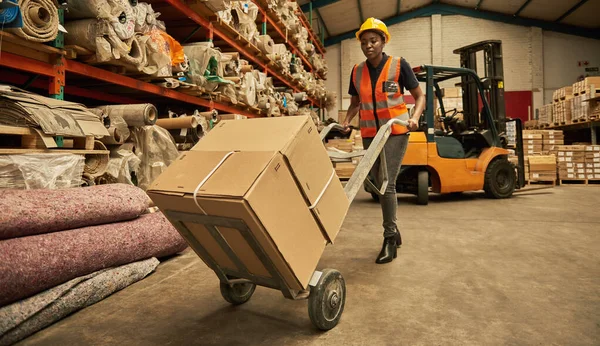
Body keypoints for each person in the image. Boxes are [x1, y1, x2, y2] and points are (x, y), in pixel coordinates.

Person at [341, 18, 426, 264]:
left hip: (395, 132)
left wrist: (415, 117)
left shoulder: (399, 65)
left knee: (387, 183)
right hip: (370, 134)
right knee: (378, 184)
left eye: (374, 40)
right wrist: (347, 120)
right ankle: (394, 230)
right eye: (364, 42)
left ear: (383, 41)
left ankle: (389, 238)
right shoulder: (357, 72)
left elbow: (419, 96)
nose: (369, 45)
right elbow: (355, 103)